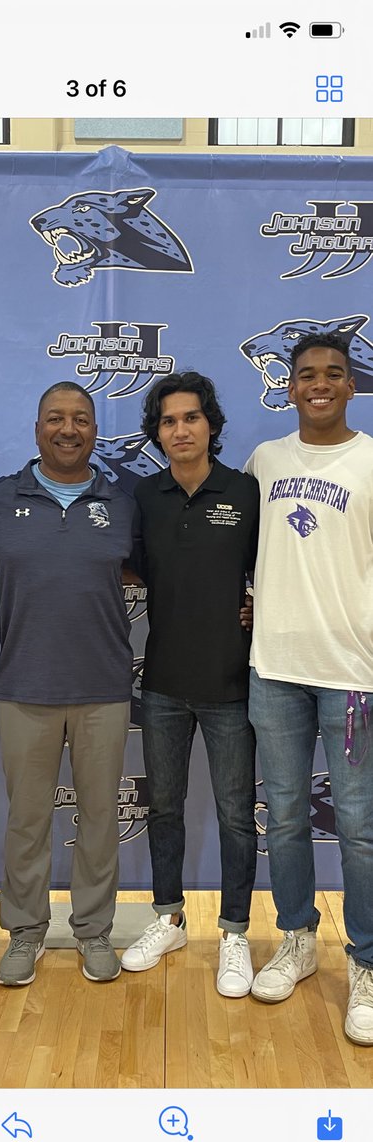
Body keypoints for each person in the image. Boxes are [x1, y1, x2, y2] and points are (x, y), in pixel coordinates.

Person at [0, 381, 137, 986]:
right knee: (27, 819)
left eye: (81, 419)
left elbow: (173, 572)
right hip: (24, 685)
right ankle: (25, 931)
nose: (69, 429)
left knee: (99, 817)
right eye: (56, 418)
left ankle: (93, 930)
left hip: (103, 687)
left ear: (94, 429)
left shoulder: (124, 503)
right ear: (37, 427)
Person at [246, 332, 373, 1045]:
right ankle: (296, 937)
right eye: (306, 375)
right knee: (287, 817)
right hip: (276, 669)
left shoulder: (371, 459)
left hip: (353, 675)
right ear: (290, 387)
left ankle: (368, 962)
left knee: (358, 827)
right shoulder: (265, 460)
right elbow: (240, 549)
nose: (319, 384)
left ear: (351, 384)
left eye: (333, 373)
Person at [121, 372, 259, 997]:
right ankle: (169, 919)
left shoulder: (246, 492)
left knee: (235, 815)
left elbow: (277, 569)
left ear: (211, 425)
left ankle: (235, 932)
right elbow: (129, 571)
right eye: (168, 421)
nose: (181, 430)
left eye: (191, 418)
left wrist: (260, 605)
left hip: (231, 685)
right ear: (157, 433)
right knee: (165, 808)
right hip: (163, 685)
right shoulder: (144, 498)